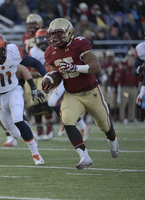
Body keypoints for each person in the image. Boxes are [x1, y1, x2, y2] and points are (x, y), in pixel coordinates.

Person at [42, 18, 119, 169]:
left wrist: (75, 67)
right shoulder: (50, 52)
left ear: (68, 33)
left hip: (91, 91)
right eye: (52, 35)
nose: (54, 38)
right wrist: (49, 81)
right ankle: (84, 156)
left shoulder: (79, 44)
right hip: (72, 94)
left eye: (58, 34)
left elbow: (96, 67)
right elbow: (55, 73)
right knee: (67, 120)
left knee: (104, 124)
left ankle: (112, 139)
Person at [0, 33, 46, 165]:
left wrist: (46, 76)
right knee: (15, 135)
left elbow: (34, 62)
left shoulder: (14, 52)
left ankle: (36, 154)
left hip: (14, 90)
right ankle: (28, 131)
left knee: (18, 119)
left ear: (5, 49)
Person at [30, 29, 90, 141]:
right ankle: (74, 123)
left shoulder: (55, 48)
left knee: (52, 102)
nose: (42, 42)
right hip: (53, 78)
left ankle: (76, 124)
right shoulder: (39, 51)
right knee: (54, 103)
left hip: (63, 77)